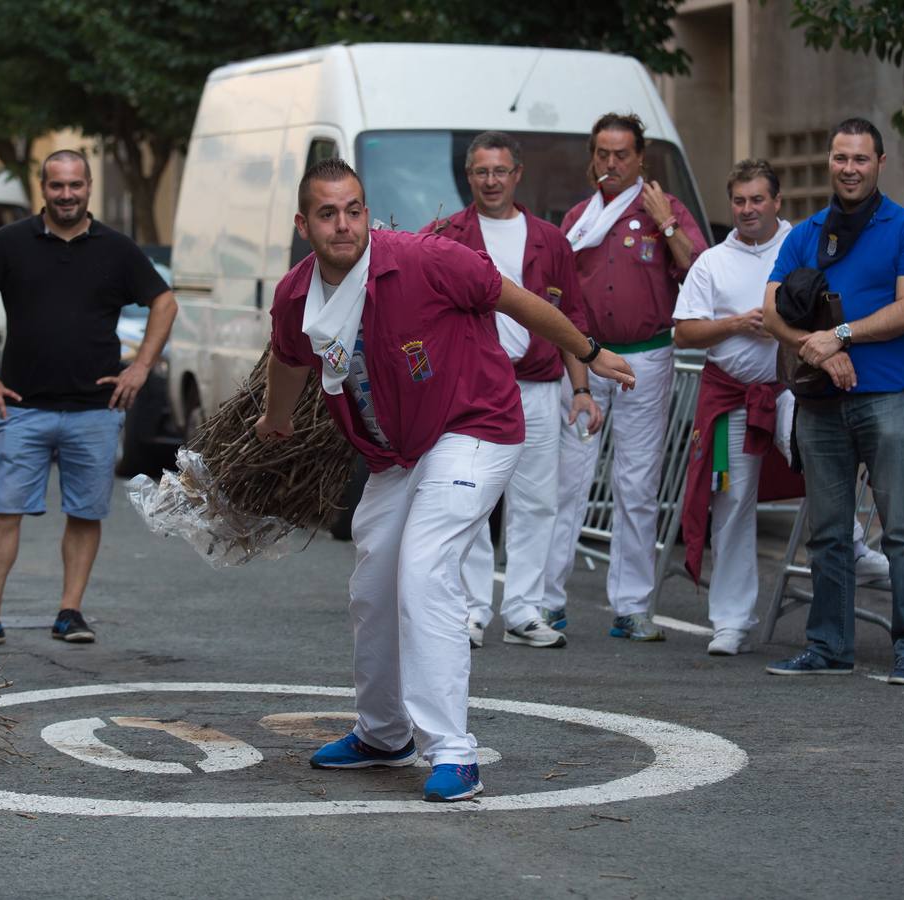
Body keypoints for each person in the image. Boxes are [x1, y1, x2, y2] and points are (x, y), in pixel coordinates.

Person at [256, 158, 633, 802]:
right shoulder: (297, 294)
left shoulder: (425, 260)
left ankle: (454, 752)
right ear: (303, 223)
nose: (343, 225)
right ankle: (382, 733)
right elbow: (291, 359)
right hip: (399, 451)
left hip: (474, 426)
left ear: (367, 214)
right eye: (327, 213)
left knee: (425, 567)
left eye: (353, 210)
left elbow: (517, 299)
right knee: (374, 580)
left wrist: (591, 355)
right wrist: (275, 419)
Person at [0, 150, 177, 649]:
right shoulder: (11, 242)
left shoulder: (116, 249)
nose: (66, 194)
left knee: (85, 513)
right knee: (3, 511)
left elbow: (165, 301)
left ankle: (70, 612)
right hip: (21, 406)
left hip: (94, 411)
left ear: (89, 186)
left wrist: (139, 368)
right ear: (43, 188)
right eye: (57, 186)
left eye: (75, 185)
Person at [762, 118, 904, 685]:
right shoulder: (805, 234)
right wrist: (816, 351)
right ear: (829, 162)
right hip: (820, 405)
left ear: (880, 163)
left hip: (887, 398)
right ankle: (829, 646)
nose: (849, 168)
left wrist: (839, 337)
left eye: (860, 159)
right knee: (828, 533)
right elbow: (771, 311)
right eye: (841, 158)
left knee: (903, 530)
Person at [423, 132, 591, 650]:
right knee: (470, 498)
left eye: (500, 171)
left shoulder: (550, 240)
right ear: (468, 177)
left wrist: (581, 389)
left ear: (517, 174)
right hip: (472, 389)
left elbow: (572, 319)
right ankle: (472, 610)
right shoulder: (444, 235)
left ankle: (523, 609)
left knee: (537, 500)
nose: (491, 181)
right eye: (481, 172)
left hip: (539, 386)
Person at [547, 112, 707, 641]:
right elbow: (559, 298)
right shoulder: (577, 218)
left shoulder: (665, 209)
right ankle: (547, 601)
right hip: (586, 360)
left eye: (621, 155)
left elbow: (698, 272)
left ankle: (632, 606)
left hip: (648, 357)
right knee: (568, 480)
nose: (610, 164)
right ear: (592, 158)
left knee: (637, 485)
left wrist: (665, 221)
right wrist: (580, 377)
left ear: (641, 159)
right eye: (602, 154)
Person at [674, 159, 807, 656]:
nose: (748, 210)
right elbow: (684, 331)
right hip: (731, 396)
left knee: (828, 476)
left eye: (757, 200)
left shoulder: (801, 246)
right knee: (730, 505)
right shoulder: (712, 261)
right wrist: (736, 324)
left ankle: (857, 551)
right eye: (739, 201)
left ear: (777, 201)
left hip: (794, 390)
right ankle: (730, 620)